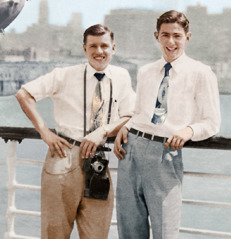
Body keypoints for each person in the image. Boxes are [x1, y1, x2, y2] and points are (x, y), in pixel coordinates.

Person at [15, 24, 135, 239]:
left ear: (113, 48)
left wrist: (104, 131)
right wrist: (45, 132)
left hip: (98, 160)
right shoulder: (65, 75)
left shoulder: (121, 76)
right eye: (93, 46)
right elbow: (24, 95)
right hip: (64, 155)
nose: (99, 51)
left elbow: (131, 115)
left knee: (97, 234)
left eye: (104, 46)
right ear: (84, 48)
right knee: (56, 233)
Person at [114, 10, 221, 239]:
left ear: (187, 37)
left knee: (165, 231)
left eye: (177, 36)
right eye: (165, 35)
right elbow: (140, 112)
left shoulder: (201, 74)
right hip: (130, 151)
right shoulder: (146, 71)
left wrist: (189, 130)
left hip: (165, 154)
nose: (171, 42)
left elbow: (212, 123)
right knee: (129, 230)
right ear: (157, 36)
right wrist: (127, 126)